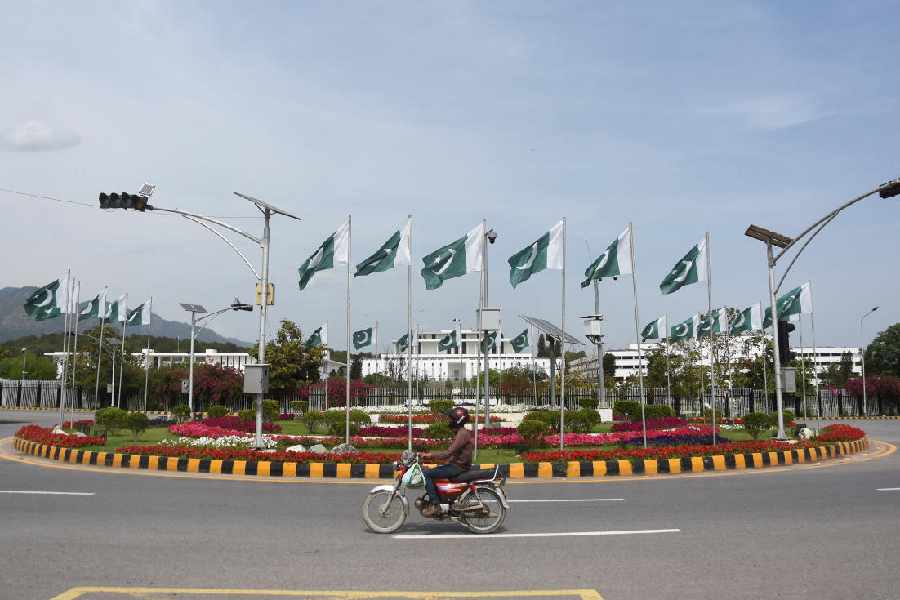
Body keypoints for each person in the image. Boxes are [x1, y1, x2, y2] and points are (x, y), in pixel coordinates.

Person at [419, 406, 474, 516]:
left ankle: (435, 505)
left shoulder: (462, 434)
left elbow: (448, 453)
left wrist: (429, 455)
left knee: (426, 474)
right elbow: (454, 454)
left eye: (451, 419)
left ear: (457, 421)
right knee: (432, 471)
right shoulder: (461, 432)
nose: (449, 421)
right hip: (456, 465)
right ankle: (440, 499)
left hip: (458, 468)